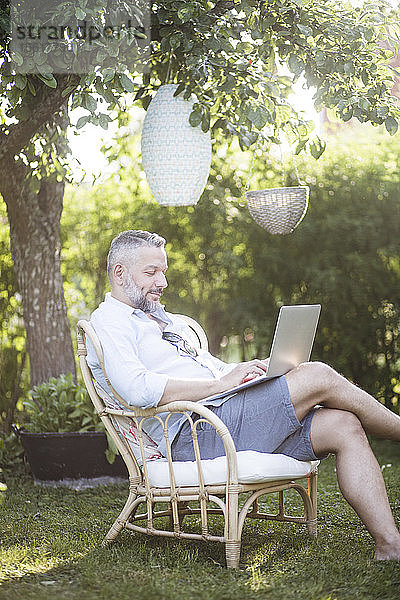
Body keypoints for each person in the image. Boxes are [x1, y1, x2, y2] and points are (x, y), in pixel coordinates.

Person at [88, 229, 400, 561]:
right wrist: (219, 386)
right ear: (119, 273)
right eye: (151, 272)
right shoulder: (109, 324)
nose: (162, 281)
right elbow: (137, 389)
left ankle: (390, 545)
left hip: (227, 415)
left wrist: (247, 370)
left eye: (163, 270)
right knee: (318, 375)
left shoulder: (163, 321)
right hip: (194, 433)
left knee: (343, 424)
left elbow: (210, 370)